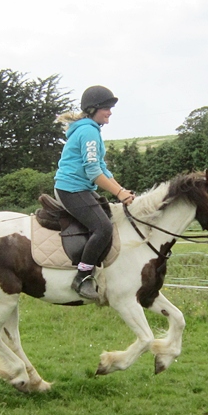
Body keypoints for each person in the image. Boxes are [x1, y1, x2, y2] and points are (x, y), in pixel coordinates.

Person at [54, 85, 135, 300]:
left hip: (81, 188)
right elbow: (93, 172)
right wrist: (119, 194)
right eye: (106, 108)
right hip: (71, 189)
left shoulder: (92, 130)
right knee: (102, 227)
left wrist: (122, 190)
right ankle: (82, 277)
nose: (110, 112)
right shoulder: (88, 131)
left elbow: (102, 168)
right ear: (93, 109)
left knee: (108, 220)